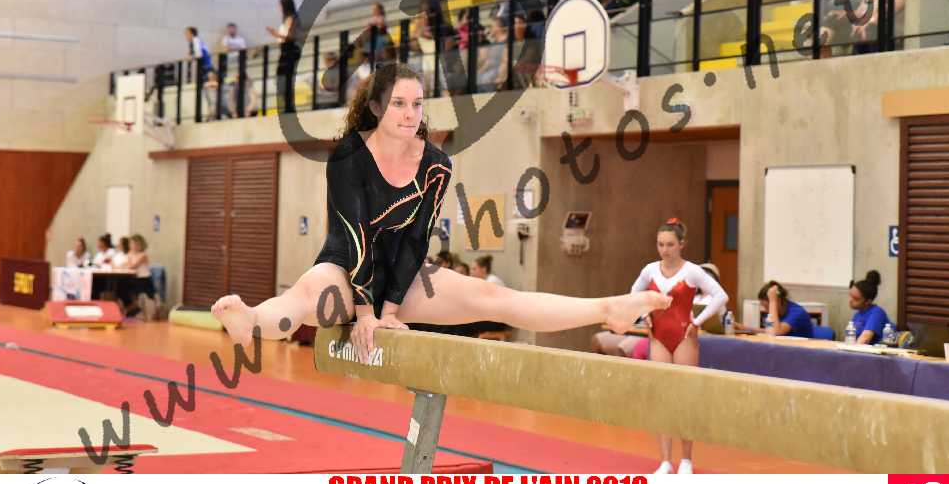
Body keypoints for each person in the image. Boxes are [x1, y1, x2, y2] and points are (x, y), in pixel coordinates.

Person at [210, 62, 671, 363]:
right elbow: (357, 238)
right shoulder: (350, 157)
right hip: (344, 267)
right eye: (398, 104)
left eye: (417, 104)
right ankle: (251, 322)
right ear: (376, 107)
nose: (410, 113)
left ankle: (608, 308)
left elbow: (415, 242)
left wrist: (391, 310)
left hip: (402, 276)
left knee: (493, 297)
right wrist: (367, 314)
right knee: (307, 295)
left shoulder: (435, 164)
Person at [628, 218, 727, 475]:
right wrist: (644, 314)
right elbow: (633, 294)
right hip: (659, 337)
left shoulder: (692, 271)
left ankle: (685, 460)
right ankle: (664, 461)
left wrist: (698, 321)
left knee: (685, 396)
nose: (665, 250)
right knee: (662, 398)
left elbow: (721, 296)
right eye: (660, 244)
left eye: (670, 244)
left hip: (684, 337)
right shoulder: (650, 270)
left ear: (681, 244)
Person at [734, 281, 813, 337]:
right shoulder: (775, 313)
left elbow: (776, 332)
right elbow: (769, 331)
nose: (766, 310)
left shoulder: (797, 312)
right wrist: (744, 328)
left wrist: (772, 301)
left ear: (778, 301)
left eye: (767, 307)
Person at [268, 0, 303, 113]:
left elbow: (291, 36)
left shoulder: (293, 18)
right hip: (284, 50)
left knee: (286, 78)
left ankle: (289, 106)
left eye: (280, 6)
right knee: (282, 79)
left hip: (290, 50)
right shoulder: (286, 19)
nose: (279, 8)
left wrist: (276, 34)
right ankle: (287, 104)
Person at [848, 270, 892, 345]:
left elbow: (864, 340)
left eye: (855, 299)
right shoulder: (857, 314)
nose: (850, 300)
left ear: (868, 301)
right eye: (850, 296)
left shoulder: (877, 313)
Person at [120, 234, 157, 320]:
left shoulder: (143, 255)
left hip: (144, 280)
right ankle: (131, 307)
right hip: (134, 278)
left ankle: (133, 308)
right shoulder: (129, 254)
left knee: (126, 286)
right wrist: (127, 263)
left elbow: (132, 266)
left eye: (135, 244)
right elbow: (124, 264)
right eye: (132, 244)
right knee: (121, 285)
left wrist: (127, 264)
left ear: (140, 245)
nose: (133, 246)